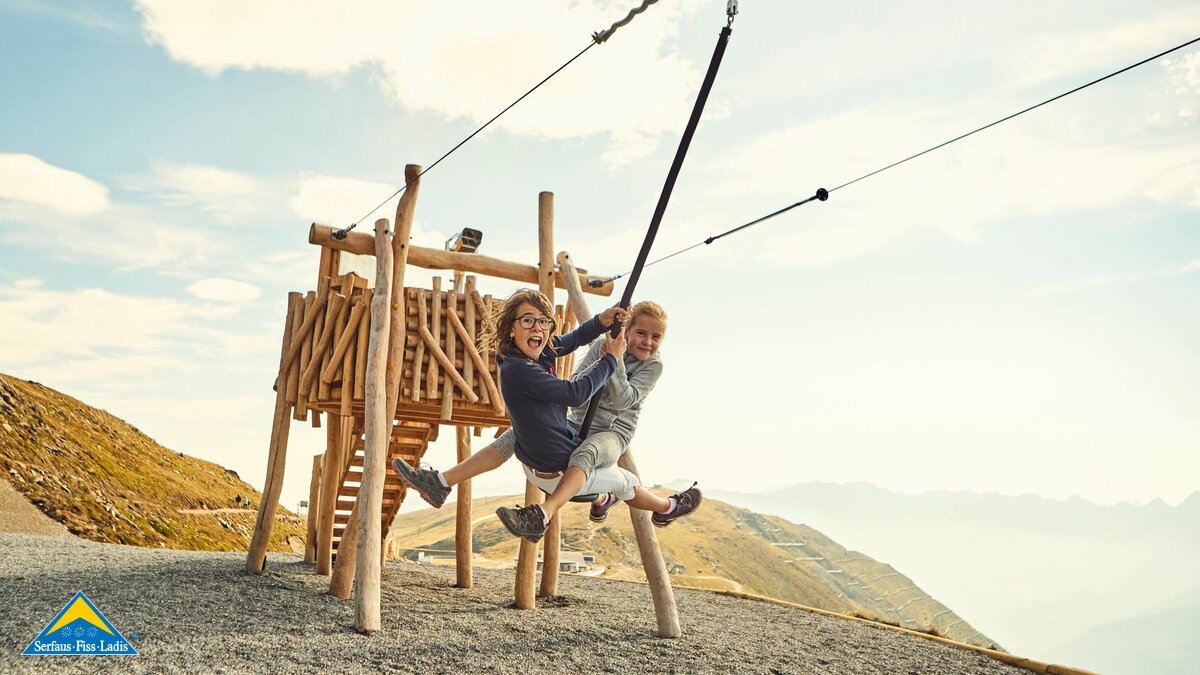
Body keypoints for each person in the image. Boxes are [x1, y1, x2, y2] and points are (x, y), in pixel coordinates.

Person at [392, 290, 700, 543]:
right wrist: (609, 357)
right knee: (515, 435)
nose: (647, 341)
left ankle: (549, 512)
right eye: (641, 333)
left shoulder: (651, 365)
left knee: (591, 456)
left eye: (655, 337)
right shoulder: (524, 367)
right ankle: (442, 482)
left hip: (612, 433)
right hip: (578, 423)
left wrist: (605, 336)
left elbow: (623, 397)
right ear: (628, 331)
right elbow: (579, 389)